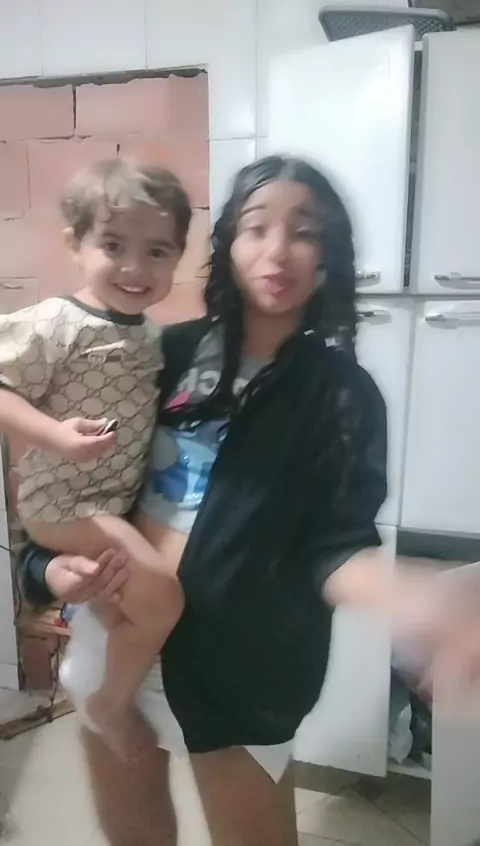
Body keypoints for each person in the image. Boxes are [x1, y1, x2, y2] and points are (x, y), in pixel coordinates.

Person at [19, 156, 480, 846]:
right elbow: (70, 484)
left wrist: (414, 600)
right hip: (115, 640)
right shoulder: (159, 354)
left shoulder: (341, 396)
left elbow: (334, 544)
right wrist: (46, 571)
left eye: (305, 231)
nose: (278, 250)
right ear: (228, 245)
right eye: (257, 227)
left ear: (328, 255)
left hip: (239, 668)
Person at [0, 158, 190, 759]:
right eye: (113, 245)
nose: (135, 267)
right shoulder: (57, 322)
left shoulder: (151, 335)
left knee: (122, 598)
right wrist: (55, 436)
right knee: (164, 600)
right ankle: (110, 701)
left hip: (109, 504)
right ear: (75, 246)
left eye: (157, 251)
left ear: (178, 258)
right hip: (64, 504)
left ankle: (100, 679)